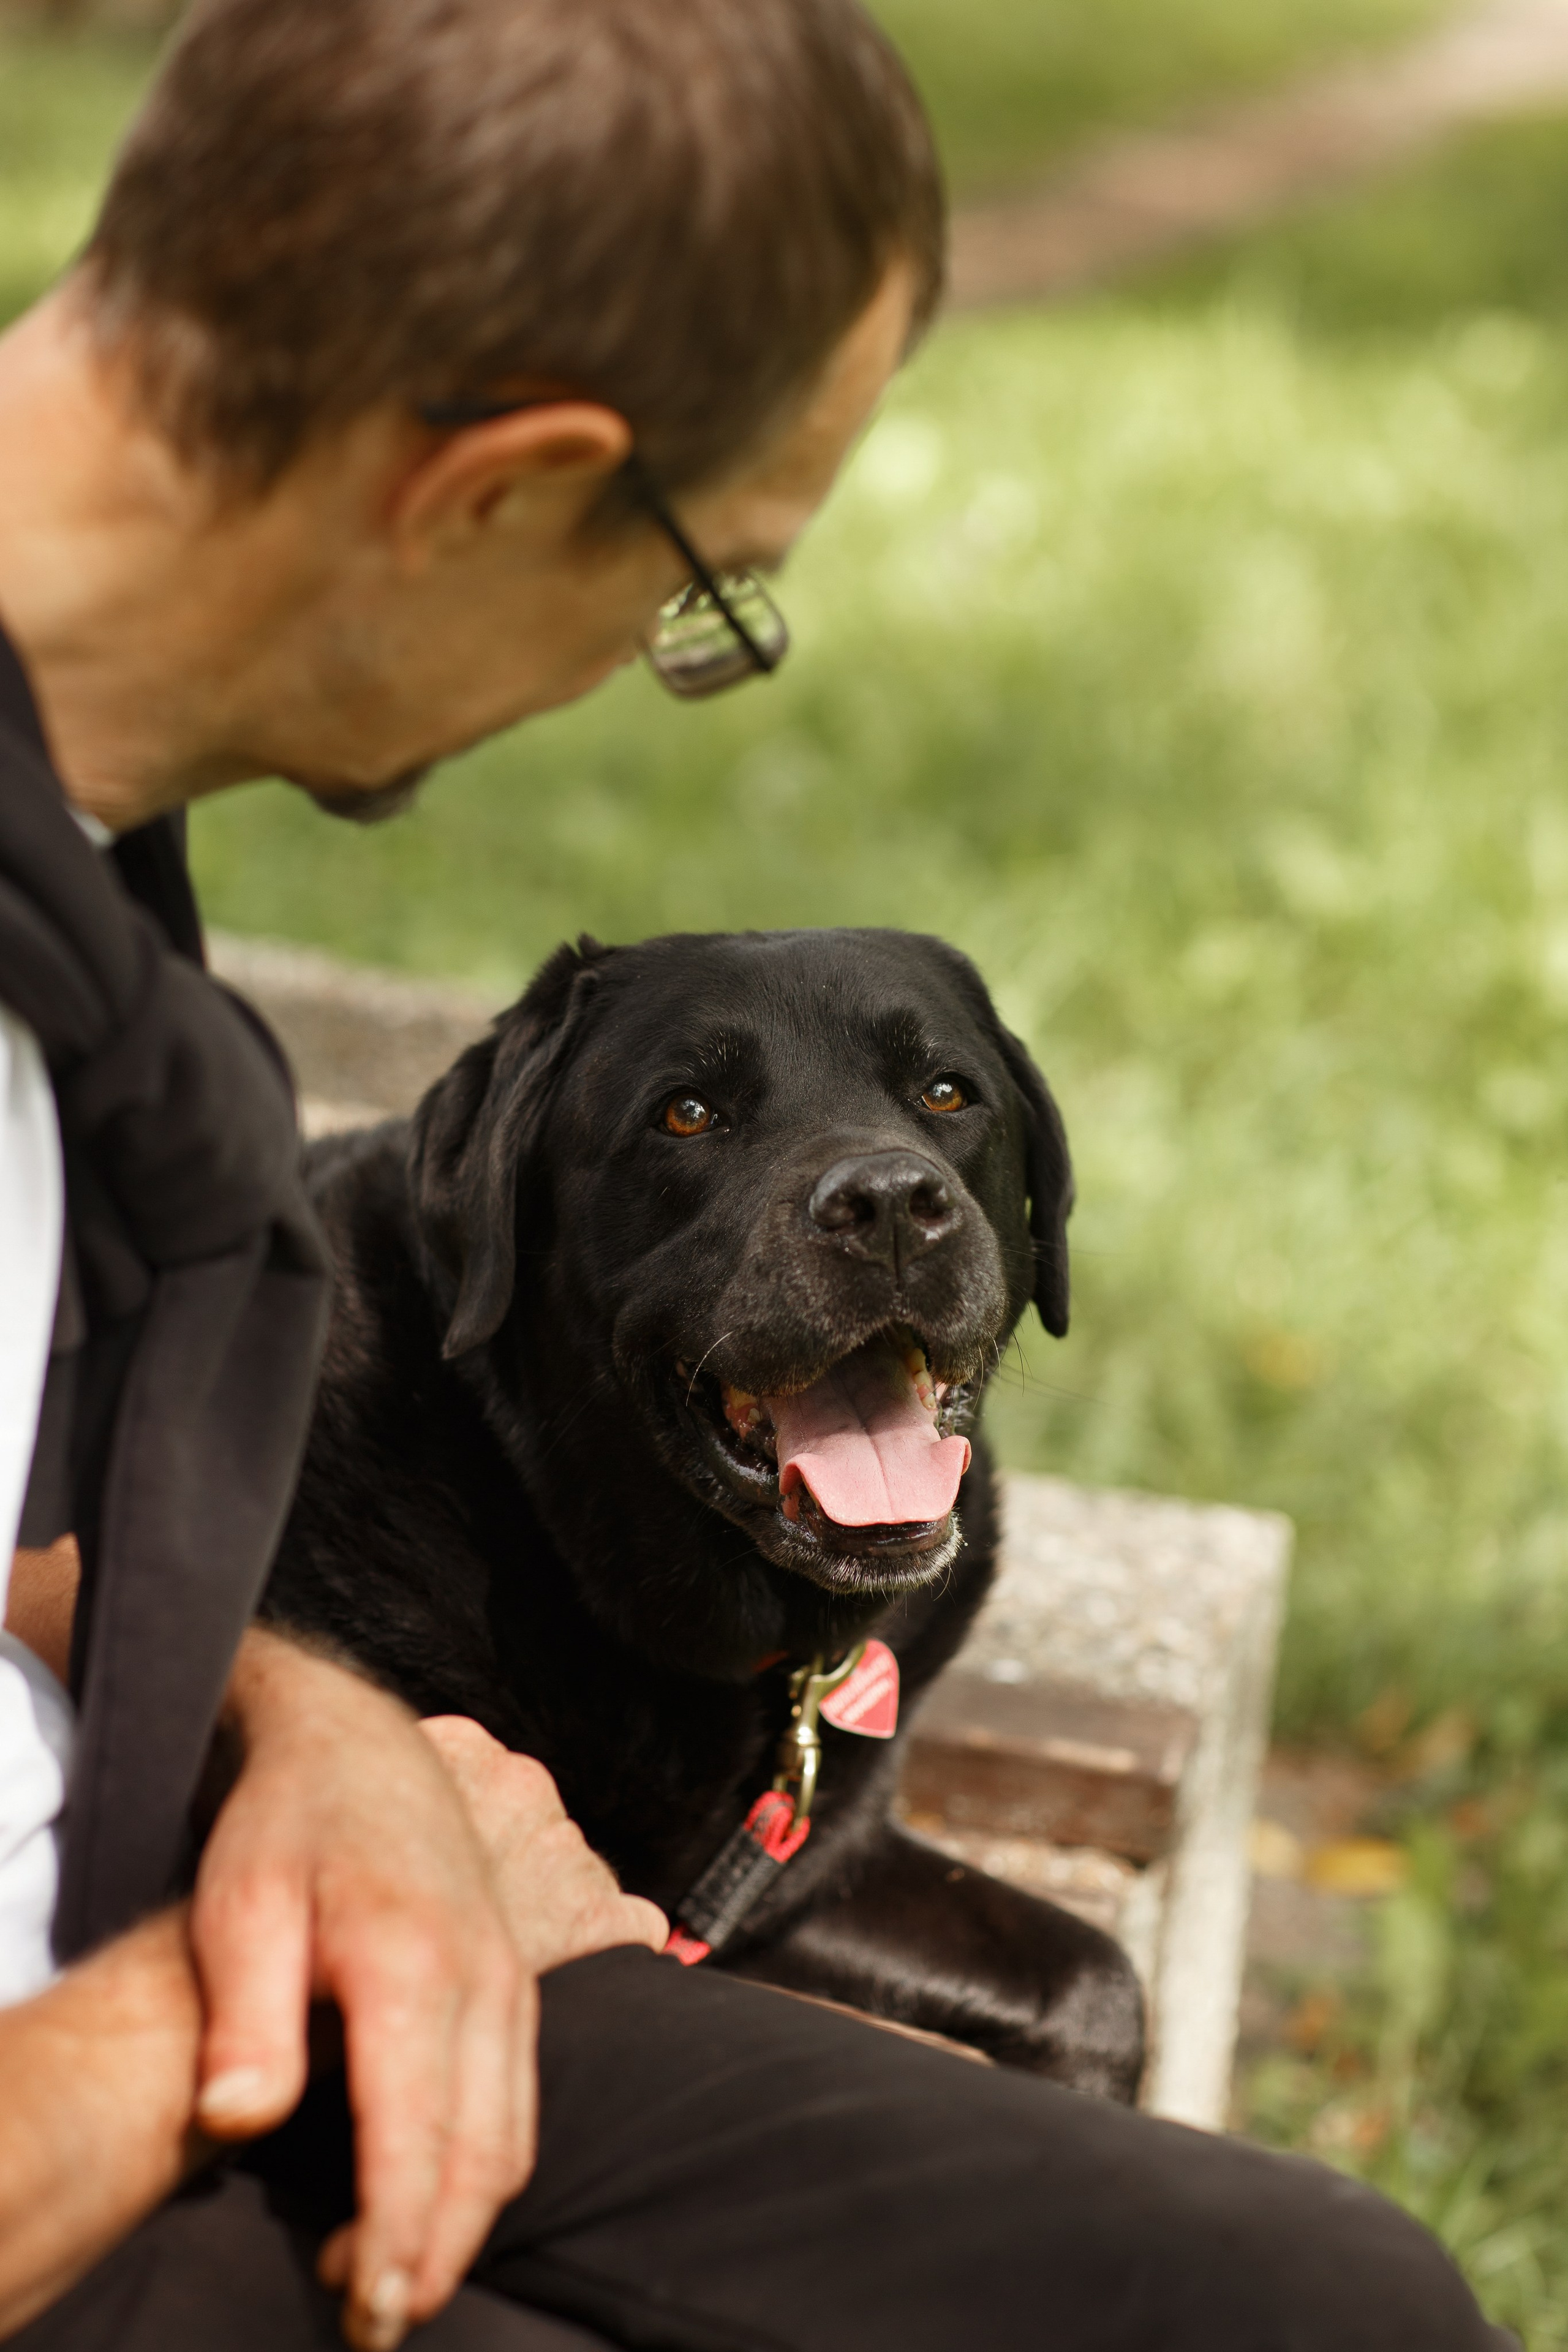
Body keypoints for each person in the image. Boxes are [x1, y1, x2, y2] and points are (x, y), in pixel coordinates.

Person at [0, 1, 1518, 2346]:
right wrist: (269, 1976)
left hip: (252, 1923)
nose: (653, 662)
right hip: (105, 2106)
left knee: (1324, 2305)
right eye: (706, 592)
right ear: (499, 491)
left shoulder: (78, 833)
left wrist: (315, 1735)